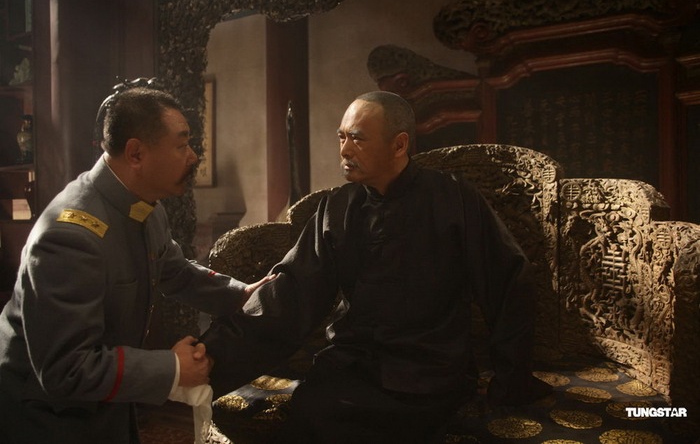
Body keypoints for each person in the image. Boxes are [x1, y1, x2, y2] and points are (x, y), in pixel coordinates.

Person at [202, 91, 549, 443]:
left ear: (399, 145)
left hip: (430, 371)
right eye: (341, 137)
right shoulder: (338, 208)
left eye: (357, 138)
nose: (344, 150)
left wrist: (511, 379)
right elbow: (289, 293)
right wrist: (210, 357)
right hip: (352, 365)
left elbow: (507, 281)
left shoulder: (453, 198)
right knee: (311, 415)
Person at [0, 85, 269, 443]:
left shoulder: (145, 207)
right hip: (47, 417)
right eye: (181, 145)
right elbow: (65, 368)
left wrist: (241, 295)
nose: (192, 157)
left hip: (100, 405)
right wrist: (172, 368)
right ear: (136, 153)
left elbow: (174, 270)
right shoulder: (69, 236)